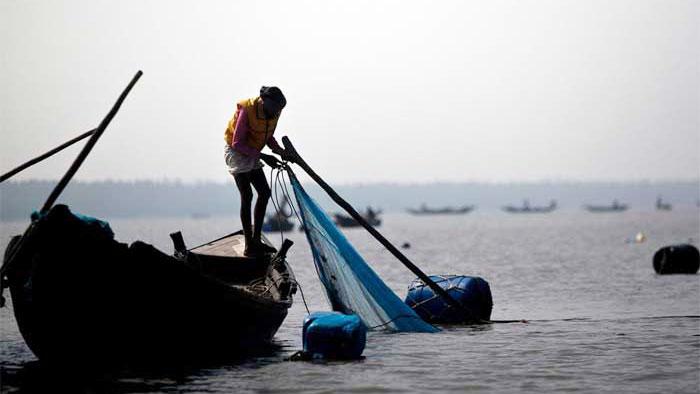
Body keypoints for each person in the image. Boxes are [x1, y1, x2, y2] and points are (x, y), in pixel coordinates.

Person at [224, 86, 293, 257]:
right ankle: (249, 245)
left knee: (264, 192)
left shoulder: (274, 112)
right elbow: (237, 143)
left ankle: (257, 240)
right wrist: (264, 157)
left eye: (278, 110)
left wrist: (279, 151)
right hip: (237, 152)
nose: (275, 113)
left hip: (253, 151)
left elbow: (267, 136)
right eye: (273, 109)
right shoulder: (247, 110)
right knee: (247, 195)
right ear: (263, 102)